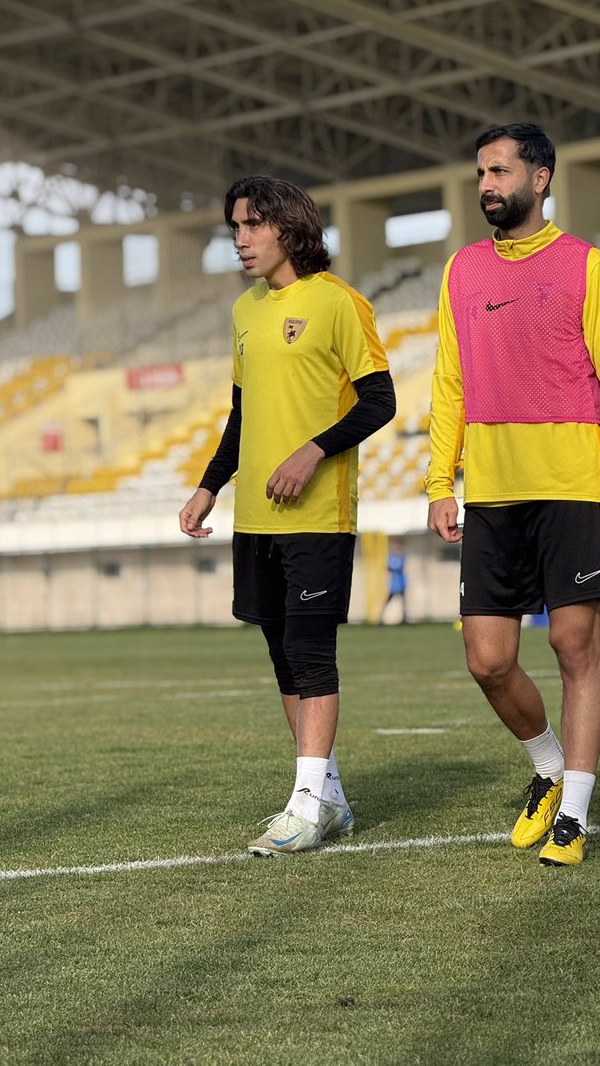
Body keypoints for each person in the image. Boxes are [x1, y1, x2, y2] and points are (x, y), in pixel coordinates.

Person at [426, 122, 600, 868]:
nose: (486, 185)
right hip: (490, 491)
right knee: (487, 659)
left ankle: (575, 817)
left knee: (572, 644)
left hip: (573, 488)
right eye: (479, 174)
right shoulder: (461, 272)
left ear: (540, 178)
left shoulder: (588, 266)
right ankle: (548, 767)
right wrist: (439, 482)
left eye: (498, 171)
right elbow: (449, 385)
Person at [180, 175, 396, 856]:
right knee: (281, 657)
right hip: (256, 520)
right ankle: (326, 797)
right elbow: (243, 415)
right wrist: (210, 486)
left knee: (310, 652)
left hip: (318, 515)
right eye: (234, 228)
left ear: (287, 227)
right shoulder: (245, 311)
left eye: (250, 226)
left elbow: (379, 401)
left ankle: (303, 806)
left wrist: (313, 451)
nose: (240, 240)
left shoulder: (338, 303)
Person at [382, 538, 408, 624]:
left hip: (400, 584)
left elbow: (398, 567)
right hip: (394, 585)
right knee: (387, 601)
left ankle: (404, 620)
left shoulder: (401, 557)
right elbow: (388, 567)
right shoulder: (391, 557)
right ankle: (380, 619)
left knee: (403, 603)